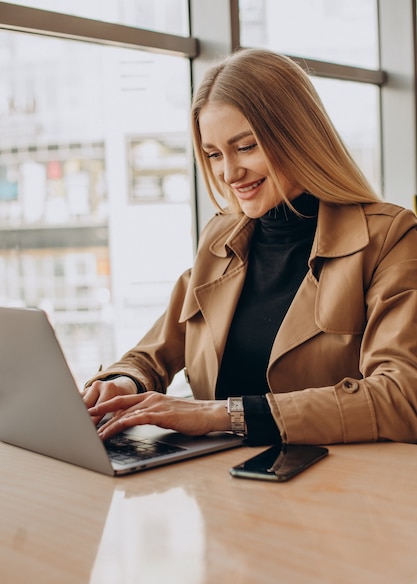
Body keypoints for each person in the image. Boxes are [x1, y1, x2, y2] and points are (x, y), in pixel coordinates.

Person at [83, 48, 417, 447]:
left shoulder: (390, 237)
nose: (228, 173)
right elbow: (157, 350)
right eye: (213, 154)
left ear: (298, 136)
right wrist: (122, 382)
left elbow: (401, 398)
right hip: (221, 488)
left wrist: (221, 414)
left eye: (245, 147)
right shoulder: (221, 236)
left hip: (338, 492)